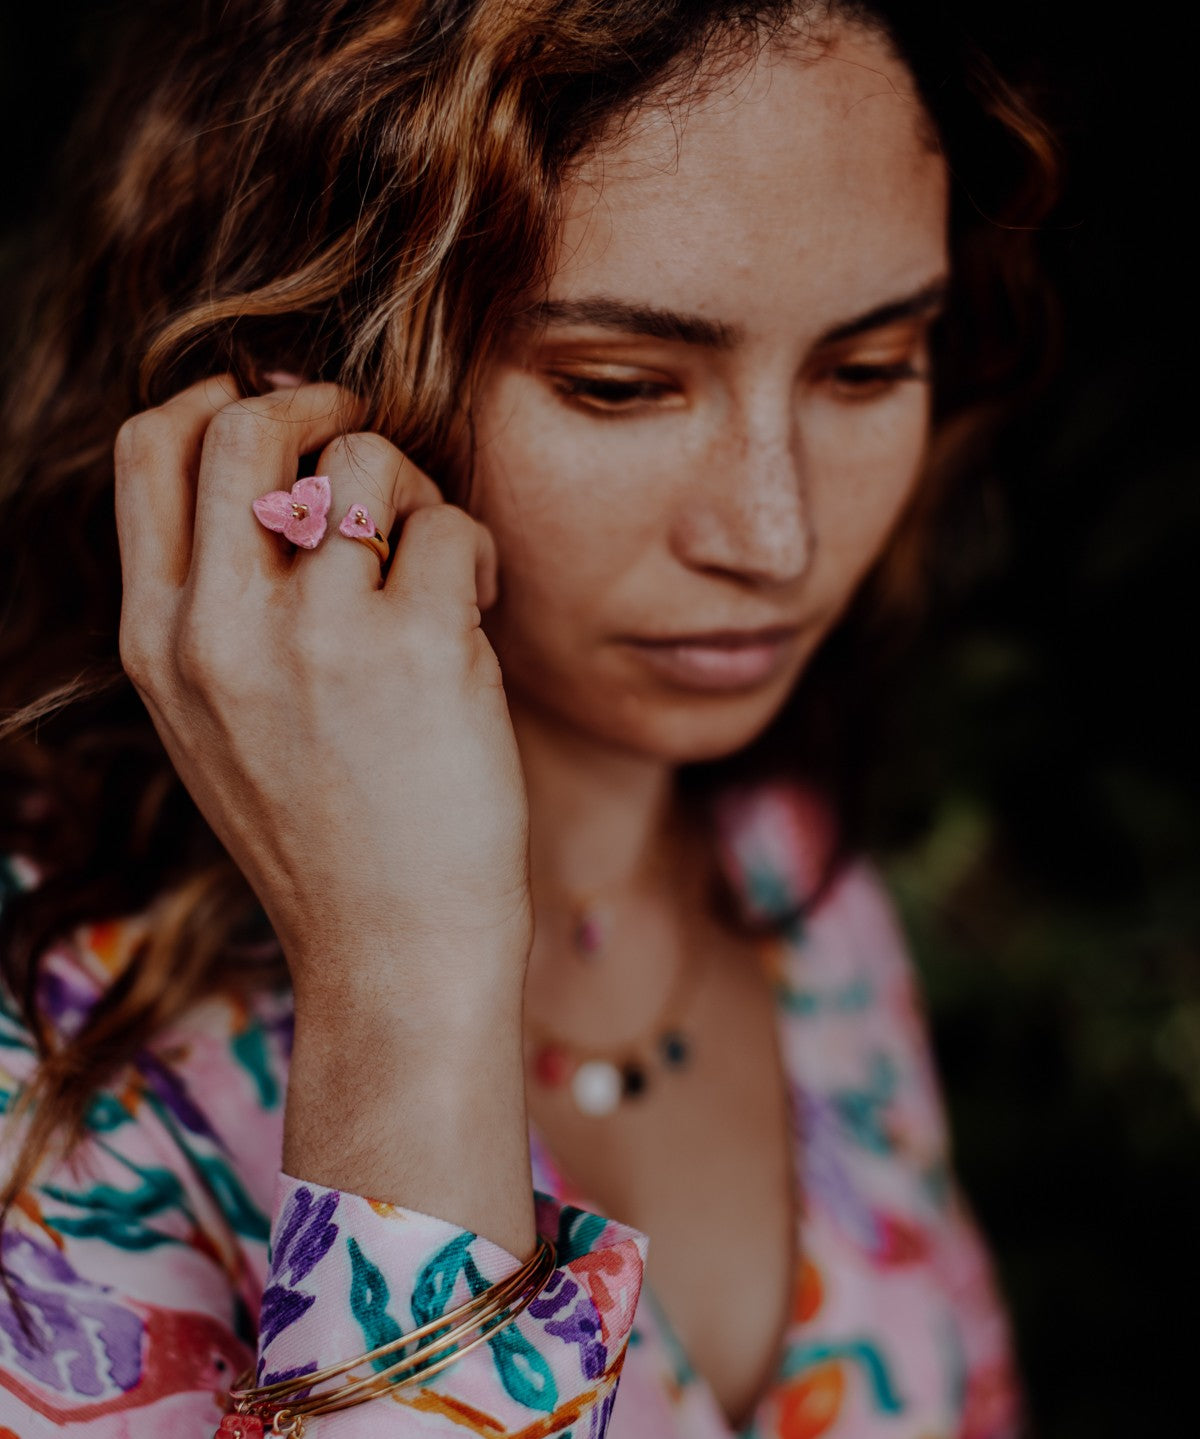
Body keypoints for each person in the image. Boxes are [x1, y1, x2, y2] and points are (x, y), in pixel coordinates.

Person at [0, 1, 1059, 1434]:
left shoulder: (795, 889)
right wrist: (399, 991)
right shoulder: (44, 1051)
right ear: (300, 373)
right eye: (619, 386)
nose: (777, 534)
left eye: (867, 369)